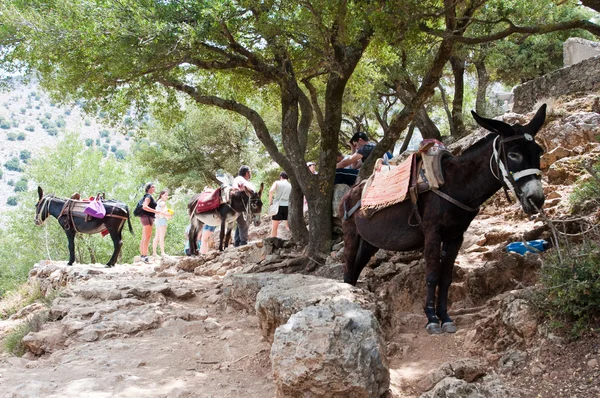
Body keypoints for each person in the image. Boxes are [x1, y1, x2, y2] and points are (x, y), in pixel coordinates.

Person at [139, 182, 165, 263]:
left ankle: (143, 255)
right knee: (147, 237)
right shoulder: (148, 196)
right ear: (149, 188)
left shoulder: (146, 196)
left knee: (144, 237)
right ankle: (145, 256)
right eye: (153, 187)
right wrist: (156, 211)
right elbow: (145, 206)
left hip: (144, 217)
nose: (154, 188)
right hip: (148, 217)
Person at [232, 165, 255, 247]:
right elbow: (235, 187)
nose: (250, 174)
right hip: (241, 205)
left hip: (246, 206)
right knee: (243, 223)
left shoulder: (245, 181)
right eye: (250, 172)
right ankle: (243, 243)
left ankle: (237, 242)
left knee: (241, 224)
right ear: (247, 173)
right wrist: (241, 193)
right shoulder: (239, 179)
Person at [268, 171, 291, 238]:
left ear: (281, 177)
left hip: (277, 206)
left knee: (275, 227)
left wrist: (270, 202)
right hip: (287, 206)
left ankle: (273, 241)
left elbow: (271, 191)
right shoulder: (290, 185)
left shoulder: (277, 183)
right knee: (287, 226)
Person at [152, 190, 172, 257]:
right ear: (161, 195)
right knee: (161, 237)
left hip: (157, 220)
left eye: (167, 195)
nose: (167, 196)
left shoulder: (158, 202)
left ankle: (154, 253)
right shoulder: (162, 203)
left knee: (157, 236)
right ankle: (162, 252)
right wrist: (168, 215)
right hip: (162, 220)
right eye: (165, 195)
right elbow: (161, 212)